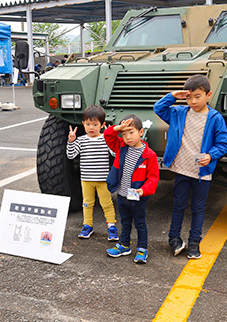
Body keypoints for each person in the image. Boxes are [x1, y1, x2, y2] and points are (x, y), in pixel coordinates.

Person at [153, 74, 227, 260]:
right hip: (181, 169)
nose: (193, 101)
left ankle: (194, 242)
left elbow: (223, 144)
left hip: (202, 172)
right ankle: (174, 239)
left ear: (208, 95)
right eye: (189, 97)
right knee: (178, 205)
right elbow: (158, 108)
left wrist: (211, 155)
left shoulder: (215, 118)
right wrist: (173, 96)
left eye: (198, 96)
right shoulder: (178, 113)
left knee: (198, 207)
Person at [104, 114, 159, 264]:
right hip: (122, 195)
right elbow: (107, 135)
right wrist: (118, 128)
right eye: (124, 133)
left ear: (141, 132)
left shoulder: (149, 155)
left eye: (131, 132)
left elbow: (153, 178)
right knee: (125, 221)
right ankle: (124, 245)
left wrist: (143, 190)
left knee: (140, 222)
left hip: (138, 196)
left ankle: (142, 248)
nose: (128, 137)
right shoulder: (121, 147)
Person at [66, 105, 118, 241]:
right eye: (88, 124)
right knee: (87, 203)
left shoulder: (105, 139)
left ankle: (111, 226)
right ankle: (87, 225)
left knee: (107, 203)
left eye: (95, 124)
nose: (91, 127)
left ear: (102, 125)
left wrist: (111, 137)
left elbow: (114, 153)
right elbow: (71, 155)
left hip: (103, 180)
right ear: (83, 124)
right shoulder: (81, 140)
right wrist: (71, 141)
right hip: (86, 180)